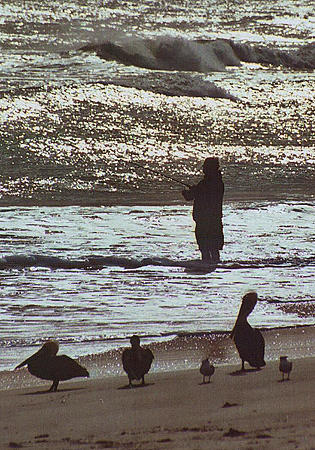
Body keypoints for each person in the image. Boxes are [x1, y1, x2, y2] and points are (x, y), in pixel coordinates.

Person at [182, 157, 224, 262]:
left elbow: (189, 197)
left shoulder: (205, 184)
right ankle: (215, 267)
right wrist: (196, 189)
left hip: (204, 221)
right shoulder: (218, 182)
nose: (203, 169)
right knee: (214, 250)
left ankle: (208, 267)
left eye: (205, 167)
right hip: (215, 220)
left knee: (205, 249)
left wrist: (186, 192)